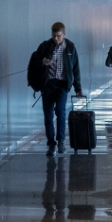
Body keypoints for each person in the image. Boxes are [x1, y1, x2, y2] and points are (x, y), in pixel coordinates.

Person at [35, 22, 82, 156]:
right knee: (48, 116)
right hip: (48, 84)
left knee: (60, 111)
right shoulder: (45, 46)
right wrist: (42, 62)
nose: (56, 39)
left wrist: (77, 88)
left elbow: (75, 68)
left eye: (59, 36)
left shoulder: (70, 48)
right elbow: (35, 60)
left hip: (62, 85)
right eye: (54, 36)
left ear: (64, 34)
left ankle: (60, 141)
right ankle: (51, 144)